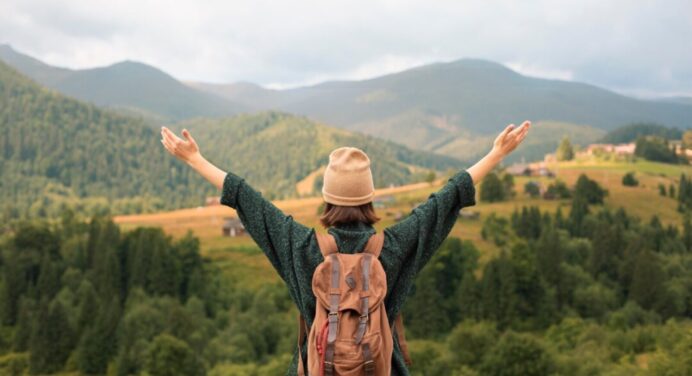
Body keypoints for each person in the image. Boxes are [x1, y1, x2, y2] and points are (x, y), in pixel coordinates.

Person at [160, 120, 530, 375]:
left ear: (326, 198)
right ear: (370, 197)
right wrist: (496, 154)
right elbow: (447, 198)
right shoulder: (395, 245)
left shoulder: (301, 246)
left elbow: (247, 199)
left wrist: (193, 157)